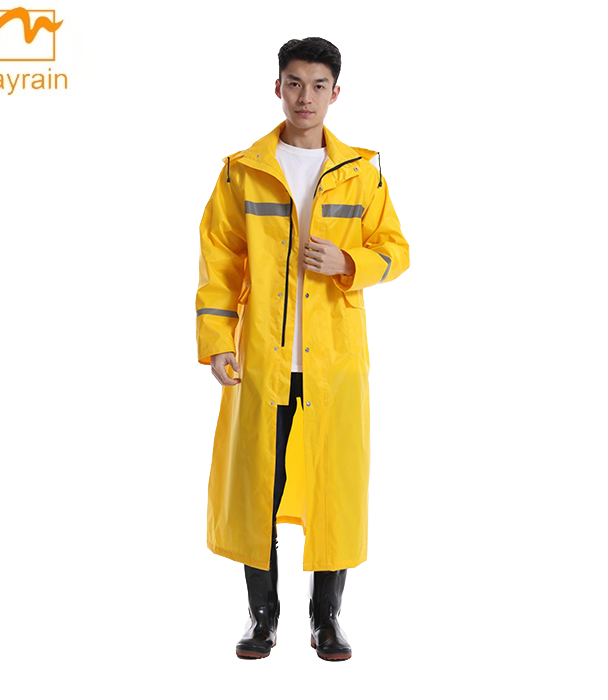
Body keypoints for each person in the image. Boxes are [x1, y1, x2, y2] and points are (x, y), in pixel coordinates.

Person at [195, 37, 410, 661]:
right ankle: (262, 617)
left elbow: (396, 250)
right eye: (294, 83)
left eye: (318, 85)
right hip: (262, 361)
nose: (305, 97)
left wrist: (349, 262)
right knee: (257, 487)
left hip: (333, 363)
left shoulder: (362, 171)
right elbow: (219, 262)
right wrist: (217, 342)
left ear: (335, 93)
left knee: (332, 487)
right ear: (278, 88)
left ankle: (327, 618)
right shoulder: (243, 170)